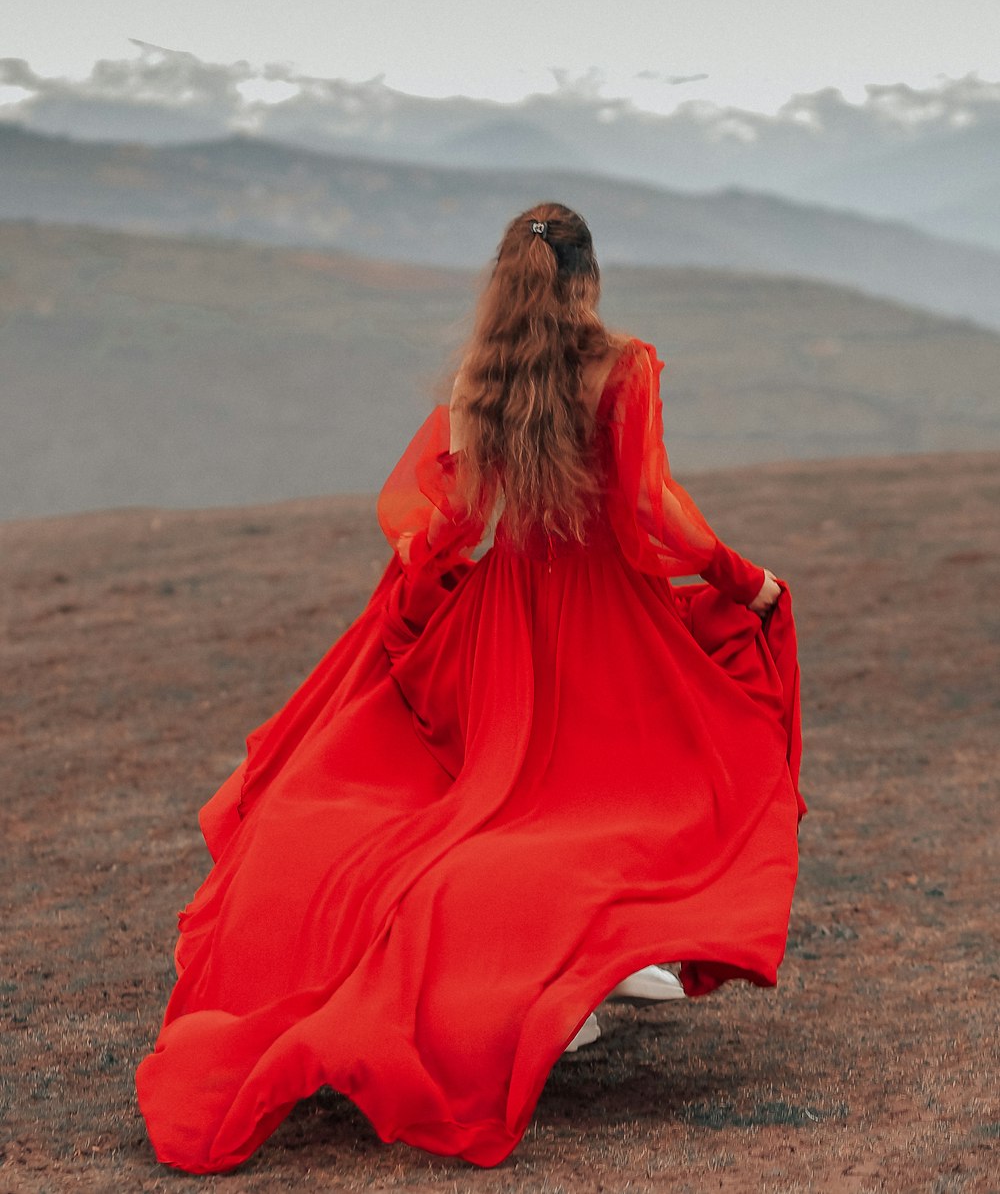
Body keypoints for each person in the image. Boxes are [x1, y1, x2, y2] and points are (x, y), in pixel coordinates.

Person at [135, 201, 805, 1173]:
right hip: (604, 621)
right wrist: (743, 578)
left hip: (503, 627)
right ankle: (566, 971)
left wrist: (414, 609)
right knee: (640, 794)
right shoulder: (625, 368)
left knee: (503, 808)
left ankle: (560, 972)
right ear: (590, 282)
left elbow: (438, 517)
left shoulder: (478, 382)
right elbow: (647, 507)